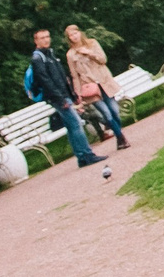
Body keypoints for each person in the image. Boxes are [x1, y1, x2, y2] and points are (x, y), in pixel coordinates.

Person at [26, 28, 112, 177]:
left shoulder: (50, 54)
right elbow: (45, 81)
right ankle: (87, 154)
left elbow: (61, 76)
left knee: (71, 127)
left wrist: (72, 94)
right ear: (36, 41)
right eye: (42, 38)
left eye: (47, 36)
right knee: (77, 124)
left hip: (63, 95)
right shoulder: (37, 58)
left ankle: (81, 157)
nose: (46, 40)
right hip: (57, 97)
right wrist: (60, 99)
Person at [65, 26, 129, 149]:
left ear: (80, 33)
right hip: (90, 86)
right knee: (106, 113)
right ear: (69, 38)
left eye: (75, 33)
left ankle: (118, 135)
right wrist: (78, 93)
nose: (74, 36)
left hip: (104, 81)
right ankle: (121, 138)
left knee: (114, 111)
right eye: (71, 35)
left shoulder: (92, 43)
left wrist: (89, 53)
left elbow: (103, 60)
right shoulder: (70, 54)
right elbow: (74, 76)